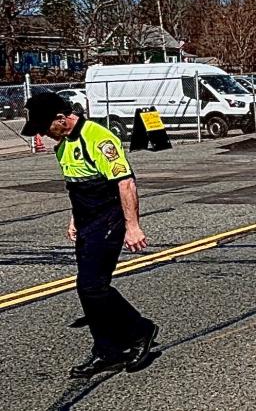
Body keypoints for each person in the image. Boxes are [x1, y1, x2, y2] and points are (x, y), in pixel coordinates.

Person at [21, 93, 158, 378]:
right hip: (86, 222)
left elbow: (126, 182)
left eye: (46, 127)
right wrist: (74, 219)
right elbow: (77, 188)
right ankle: (106, 350)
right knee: (87, 289)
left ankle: (139, 330)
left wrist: (133, 226)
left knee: (93, 285)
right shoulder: (63, 147)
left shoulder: (98, 138)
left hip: (109, 219)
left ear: (61, 118)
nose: (44, 134)